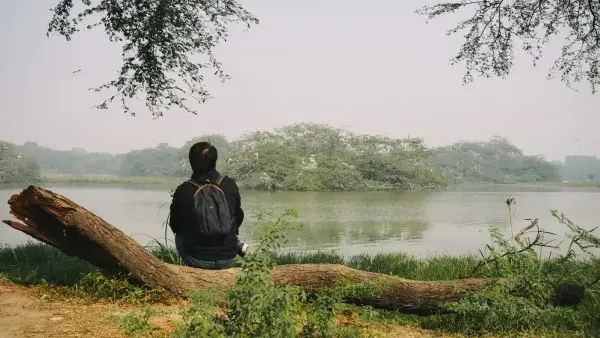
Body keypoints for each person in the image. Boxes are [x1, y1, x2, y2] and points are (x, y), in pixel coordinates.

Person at [169, 141, 248, 269]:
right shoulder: (230, 184)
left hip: (196, 258)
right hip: (227, 257)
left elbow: (176, 226)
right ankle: (237, 245)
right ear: (214, 160)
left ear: (191, 162)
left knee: (181, 235)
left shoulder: (184, 190)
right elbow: (238, 217)